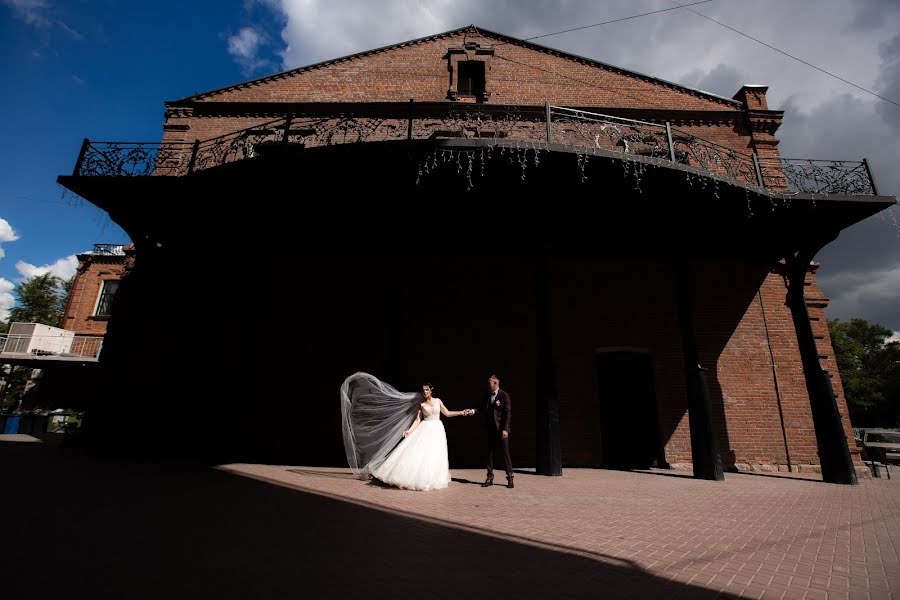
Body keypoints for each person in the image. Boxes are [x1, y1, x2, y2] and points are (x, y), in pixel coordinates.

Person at [340, 372, 475, 491]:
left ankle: (432, 478)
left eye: (427, 390)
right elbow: (417, 420)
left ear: (431, 390)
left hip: (437, 429)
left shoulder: (438, 401)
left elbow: (447, 413)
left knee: (435, 454)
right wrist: (409, 431)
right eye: (423, 390)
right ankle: (416, 478)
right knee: (422, 454)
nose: (424, 392)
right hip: (425, 428)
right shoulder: (421, 404)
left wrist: (461, 412)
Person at [482, 374, 513, 488]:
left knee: (505, 453)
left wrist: (505, 429)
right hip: (490, 430)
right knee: (489, 453)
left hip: (501, 430)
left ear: (495, 383)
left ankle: (510, 478)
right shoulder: (487, 395)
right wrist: (472, 411)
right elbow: (480, 407)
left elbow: (507, 413)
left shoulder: (504, 395)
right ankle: (490, 478)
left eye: (489, 382)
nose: (488, 384)